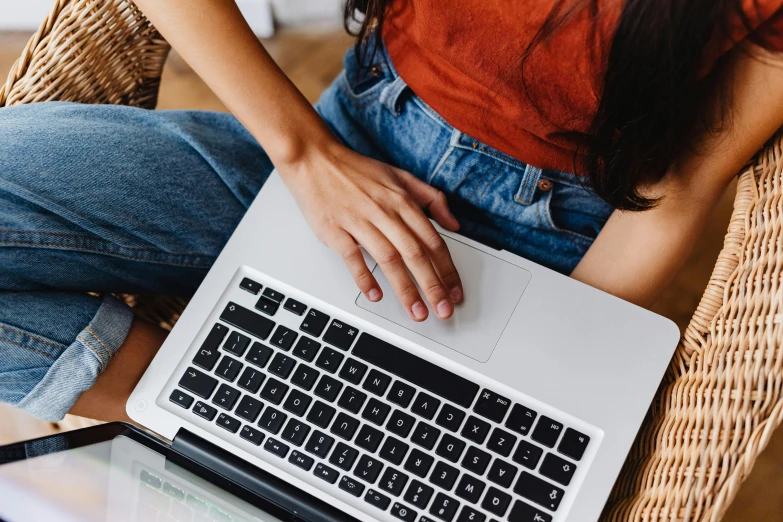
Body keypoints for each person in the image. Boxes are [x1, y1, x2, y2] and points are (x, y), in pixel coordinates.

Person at [1, 0, 783, 423]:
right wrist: (307, 155)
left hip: (540, 242)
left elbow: (678, 192)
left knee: (408, 449)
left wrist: (515, 369)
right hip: (341, 138)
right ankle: (180, 418)